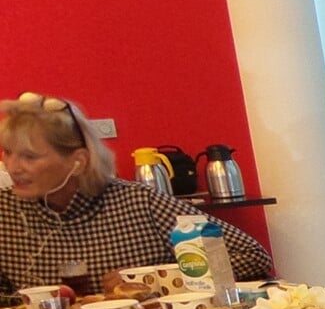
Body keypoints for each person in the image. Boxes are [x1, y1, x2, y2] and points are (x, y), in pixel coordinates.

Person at [0, 93, 271, 297]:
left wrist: (155, 279)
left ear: (78, 161)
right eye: (7, 152)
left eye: (29, 157)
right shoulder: (5, 213)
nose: (12, 167)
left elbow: (251, 255)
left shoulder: (139, 202)